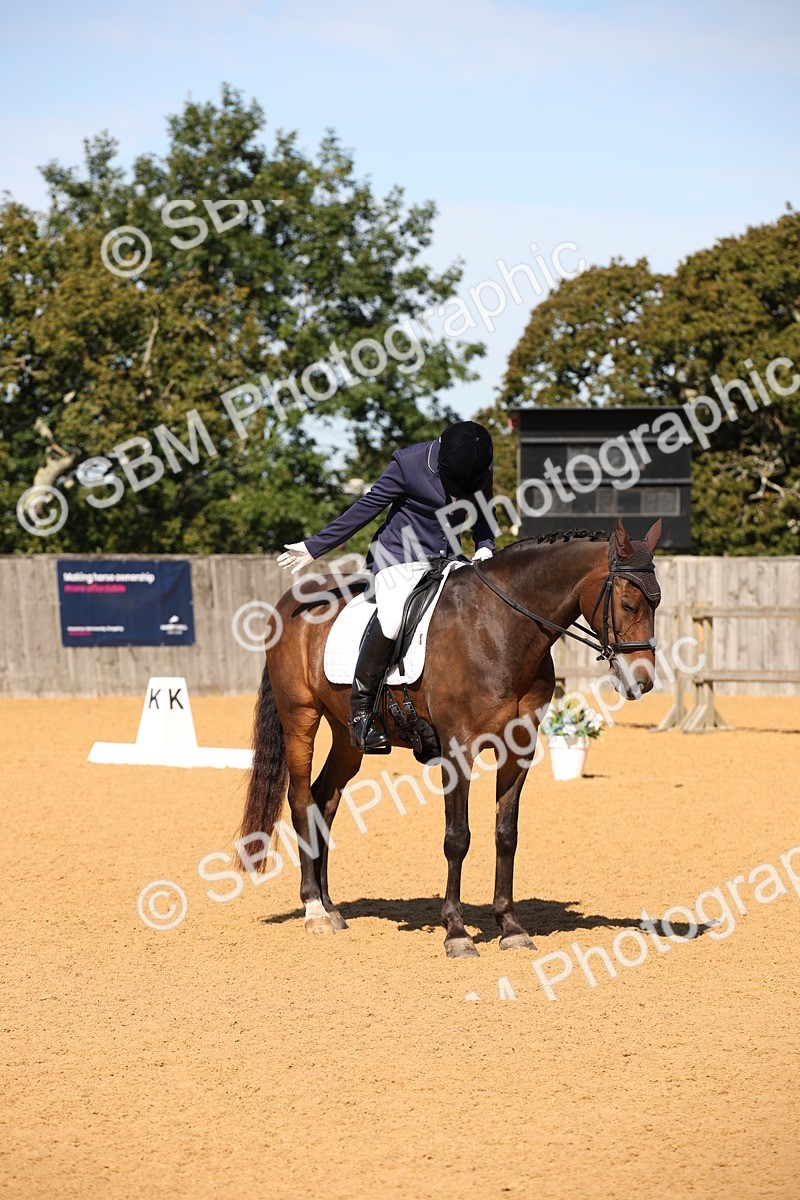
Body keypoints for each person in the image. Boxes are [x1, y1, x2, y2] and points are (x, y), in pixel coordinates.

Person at [278, 420, 495, 751]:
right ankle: (362, 712)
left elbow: (484, 512)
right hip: (398, 560)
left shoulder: (478, 465)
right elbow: (364, 509)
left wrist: (485, 546)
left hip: (448, 561)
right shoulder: (408, 464)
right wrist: (314, 547)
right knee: (393, 618)